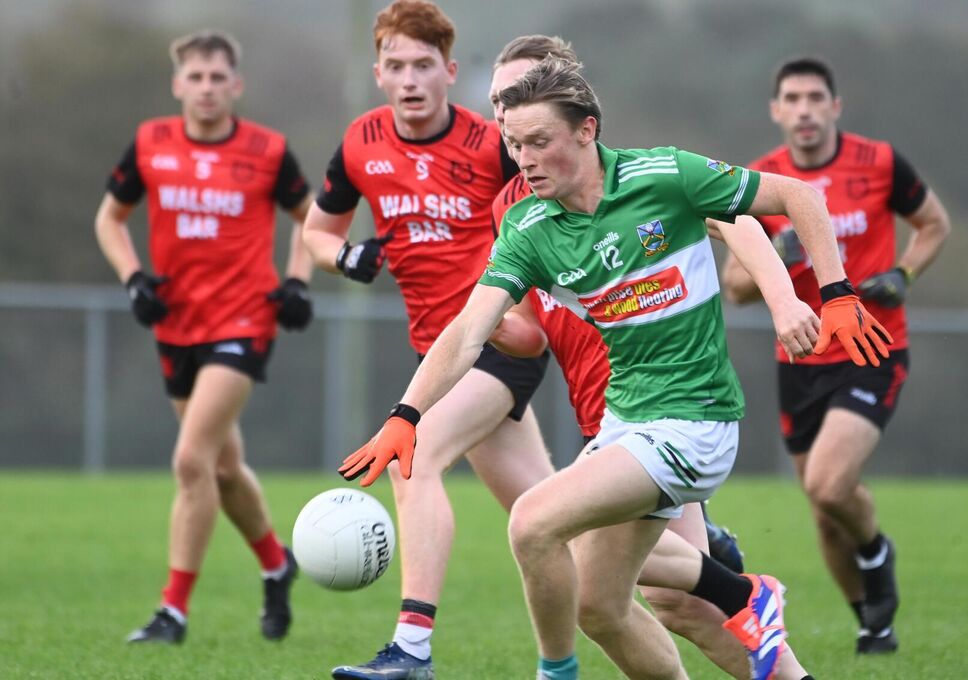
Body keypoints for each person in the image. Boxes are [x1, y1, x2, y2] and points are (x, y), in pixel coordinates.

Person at [339, 57, 889, 680]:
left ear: (586, 130)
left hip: (693, 421)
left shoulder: (664, 176)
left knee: (532, 522)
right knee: (600, 604)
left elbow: (797, 195)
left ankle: (558, 672)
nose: (524, 159)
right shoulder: (528, 225)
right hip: (624, 422)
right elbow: (471, 330)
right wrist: (406, 414)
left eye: (540, 142)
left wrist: (833, 294)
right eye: (514, 144)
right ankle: (758, 621)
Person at [485, 37, 807, 680]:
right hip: (607, 415)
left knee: (667, 600)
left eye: (519, 96)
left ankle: (737, 589)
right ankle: (734, 587)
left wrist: (783, 299)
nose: (505, 115)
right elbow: (528, 332)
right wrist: (480, 327)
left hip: (666, 409)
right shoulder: (514, 211)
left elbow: (736, 217)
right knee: (609, 599)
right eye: (497, 102)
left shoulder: (637, 178)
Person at [300, 4, 555, 678]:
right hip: (438, 357)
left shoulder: (492, 143)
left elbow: (565, 207)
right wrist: (342, 259)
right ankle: (699, 562)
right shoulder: (361, 142)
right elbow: (315, 234)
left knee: (413, 455)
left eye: (423, 66)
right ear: (377, 73)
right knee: (548, 518)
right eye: (396, 66)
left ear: (449, 71)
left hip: (504, 338)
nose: (410, 80)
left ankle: (411, 648)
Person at [721, 56, 952, 654]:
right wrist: (780, 245)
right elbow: (736, 289)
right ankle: (872, 623)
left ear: (834, 107)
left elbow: (934, 224)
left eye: (814, 98)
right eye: (791, 99)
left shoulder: (878, 162)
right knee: (824, 515)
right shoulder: (760, 180)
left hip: (873, 344)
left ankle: (876, 550)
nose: (803, 110)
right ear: (776, 111)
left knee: (828, 484)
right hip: (800, 358)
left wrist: (904, 272)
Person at [95, 30, 314, 644]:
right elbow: (109, 218)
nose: (208, 88)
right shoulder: (150, 143)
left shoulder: (267, 151)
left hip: (244, 322)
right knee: (222, 468)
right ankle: (277, 564)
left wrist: (296, 280)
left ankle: (173, 612)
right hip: (174, 323)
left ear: (235, 85)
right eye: (196, 78)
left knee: (191, 461)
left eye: (219, 78)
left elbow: (311, 216)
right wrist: (133, 276)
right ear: (178, 85)